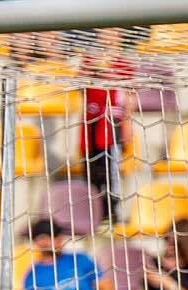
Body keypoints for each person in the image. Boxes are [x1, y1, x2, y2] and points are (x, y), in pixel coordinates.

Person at [78, 29, 134, 225]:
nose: (107, 36)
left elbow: (128, 98)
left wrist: (127, 126)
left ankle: (111, 212)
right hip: (91, 123)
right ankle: (92, 212)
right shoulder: (89, 61)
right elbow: (81, 91)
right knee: (91, 169)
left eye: (112, 32)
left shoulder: (122, 64)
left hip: (111, 125)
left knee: (110, 169)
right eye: (104, 32)